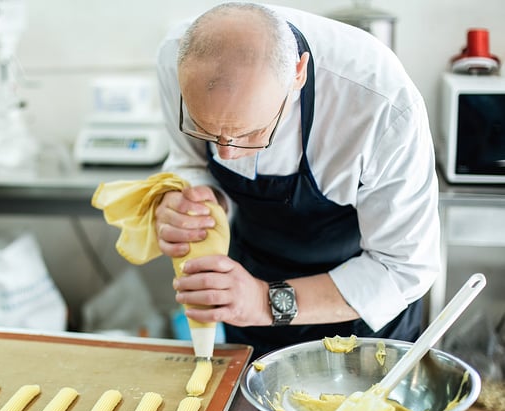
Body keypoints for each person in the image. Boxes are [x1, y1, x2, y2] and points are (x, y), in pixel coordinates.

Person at [153, 2, 440, 358]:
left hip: (359, 311)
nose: (226, 154)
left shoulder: (381, 103)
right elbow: (190, 162)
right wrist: (190, 202)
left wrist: (264, 300)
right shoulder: (177, 56)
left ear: (298, 74)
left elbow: (402, 268)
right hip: (246, 284)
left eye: (252, 132)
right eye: (207, 131)